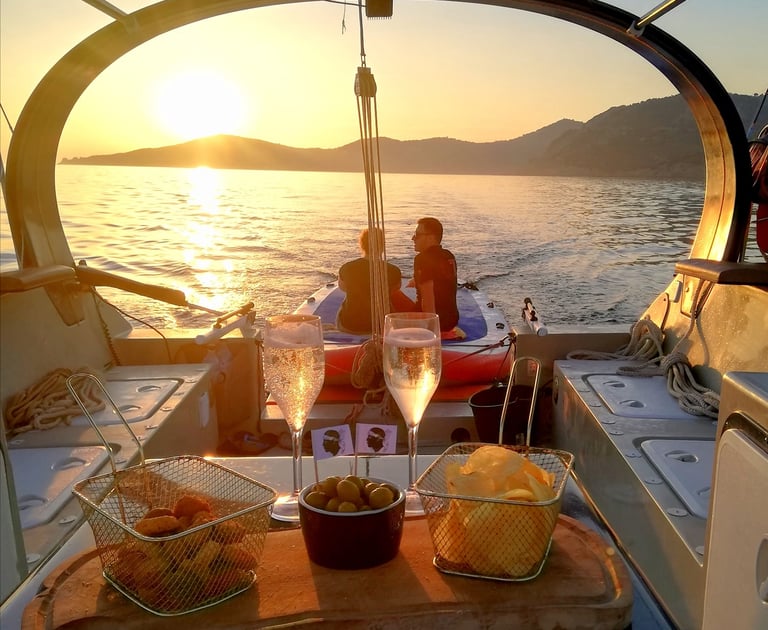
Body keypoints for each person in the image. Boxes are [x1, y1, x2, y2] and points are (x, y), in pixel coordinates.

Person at [336, 227, 403, 334]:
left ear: (361, 245)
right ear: (382, 245)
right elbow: (395, 288)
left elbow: (343, 288)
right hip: (382, 326)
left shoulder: (346, 268)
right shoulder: (394, 271)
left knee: (344, 302)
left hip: (350, 326)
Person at [410, 217, 460, 332]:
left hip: (433, 322)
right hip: (452, 320)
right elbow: (442, 282)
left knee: (388, 311)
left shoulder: (422, 259)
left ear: (431, 237)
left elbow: (428, 300)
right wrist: (416, 280)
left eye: (417, 234)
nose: (413, 238)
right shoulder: (449, 256)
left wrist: (431, 330)